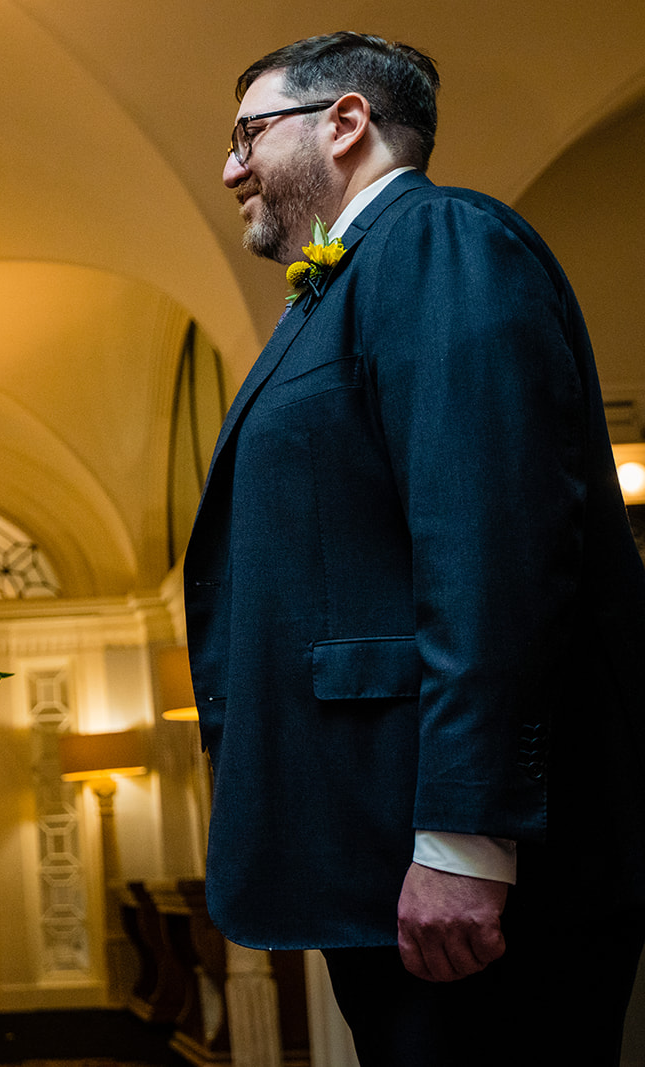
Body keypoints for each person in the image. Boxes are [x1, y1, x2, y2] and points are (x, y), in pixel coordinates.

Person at [185, 32, 645, 1065]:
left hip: (471, 857)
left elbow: (490, 554)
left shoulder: (441, 240)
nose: (229, 168)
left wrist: (463, 838)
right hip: (374, 846)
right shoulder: (344, 282)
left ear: (344, 123)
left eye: (245, 134)